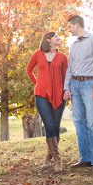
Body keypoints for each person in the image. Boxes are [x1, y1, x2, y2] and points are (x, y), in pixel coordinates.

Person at [63, 14, 93, 173]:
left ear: (77, 25)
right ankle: (85, 158)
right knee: (79, 122)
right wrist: (67, 88)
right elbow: (69, 68)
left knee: (92, 122)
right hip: (75, 85)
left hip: (89, 84)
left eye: (69, 27)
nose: (68, 30)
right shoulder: (73, 45)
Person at [26, 31, 68, 172]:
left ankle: (47, 158)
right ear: (48, 40)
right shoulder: (37, 55)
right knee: (49, 125)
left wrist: (66, 90)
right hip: (41, 95)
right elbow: (29, 70)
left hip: (59, 96)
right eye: (56, 36)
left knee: (55, 127)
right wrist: (38, 84)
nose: (59, 38)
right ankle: (58, 160)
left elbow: (66, 76)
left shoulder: (62, 57)